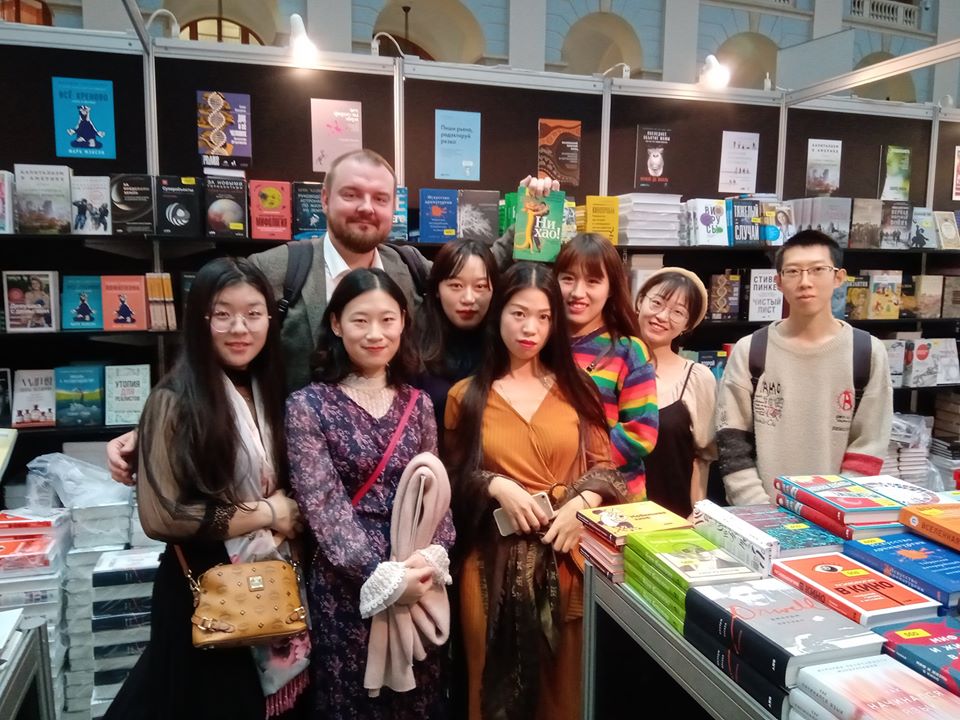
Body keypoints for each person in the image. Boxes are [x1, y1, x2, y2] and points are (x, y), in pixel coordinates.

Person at [106, 151, 539, 485]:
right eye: (352, 195)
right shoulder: (277, 269)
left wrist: (530, 214)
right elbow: (214, 343)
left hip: (390, 477)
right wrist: (155, 422)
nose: (366, 207)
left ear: (393, 207)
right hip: (295, 477)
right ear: (326, 199)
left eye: (380, 198)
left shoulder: (407, 267)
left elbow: (473, 274)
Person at [105, 257, 308, 720]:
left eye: (253, 314)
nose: (240, 328)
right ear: (201, 321)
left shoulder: (270, 389)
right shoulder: (173, 400)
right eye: (223, 314)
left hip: (271, 583)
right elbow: (164, 516)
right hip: (205, 592)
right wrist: (268, 512)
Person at [444, 262, 626, 720]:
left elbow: (606, 469)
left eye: (544, 317)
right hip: (491, 566)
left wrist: (582, 505)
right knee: (489, 690)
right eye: (519, 314)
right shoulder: (466, 396)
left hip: (567, 559)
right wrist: (494, 483)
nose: (531, 329)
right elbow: (452, 479)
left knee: (565, 694)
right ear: (498, 315)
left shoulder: (577, 388)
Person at [285, 268, 455, 718]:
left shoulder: (418, 404)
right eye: (360, 321)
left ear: (403, 322)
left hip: (417, 578)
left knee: (418, 696)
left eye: (387, 320)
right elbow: (321, 503)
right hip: (348, 586)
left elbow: (434, 492)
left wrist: (432, 558)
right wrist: (380, 576)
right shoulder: (308, 405)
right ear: (336, 324)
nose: (375, 334)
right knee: (354, 698)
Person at [716, 230, 892, 506]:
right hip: (761, 513)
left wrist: (835, 509)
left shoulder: (867, 352)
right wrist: (759, 509)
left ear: (838, 277)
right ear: (778, 281)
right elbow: (732, 442)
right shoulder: (751, 350)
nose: (805, 282)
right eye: (793, 271)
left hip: (835, 513)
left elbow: (869, 444)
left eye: (818, 270)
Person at [554, 233, 658, 499]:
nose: (577, 293)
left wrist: (577, 460)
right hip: (554, 494)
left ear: (611, 288)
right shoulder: (541, 343)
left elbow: (642, 432)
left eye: (592, 281)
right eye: (568, 279)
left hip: (615, 500)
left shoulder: (628, 350)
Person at [633, 268, 717, 520]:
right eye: (657, 303)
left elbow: (702, 458)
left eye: (677, 312)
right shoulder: (611, 366)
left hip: (672, 520)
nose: (662, 316)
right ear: (640, 301)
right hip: (608, 516)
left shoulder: (697, 377)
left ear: (687, 325)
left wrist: (695, 515)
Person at [416, 238, 497, 430]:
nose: (468, 298)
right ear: (437, 289)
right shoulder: (412, 347)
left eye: (480, 286)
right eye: (456, 286)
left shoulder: (505, 346)